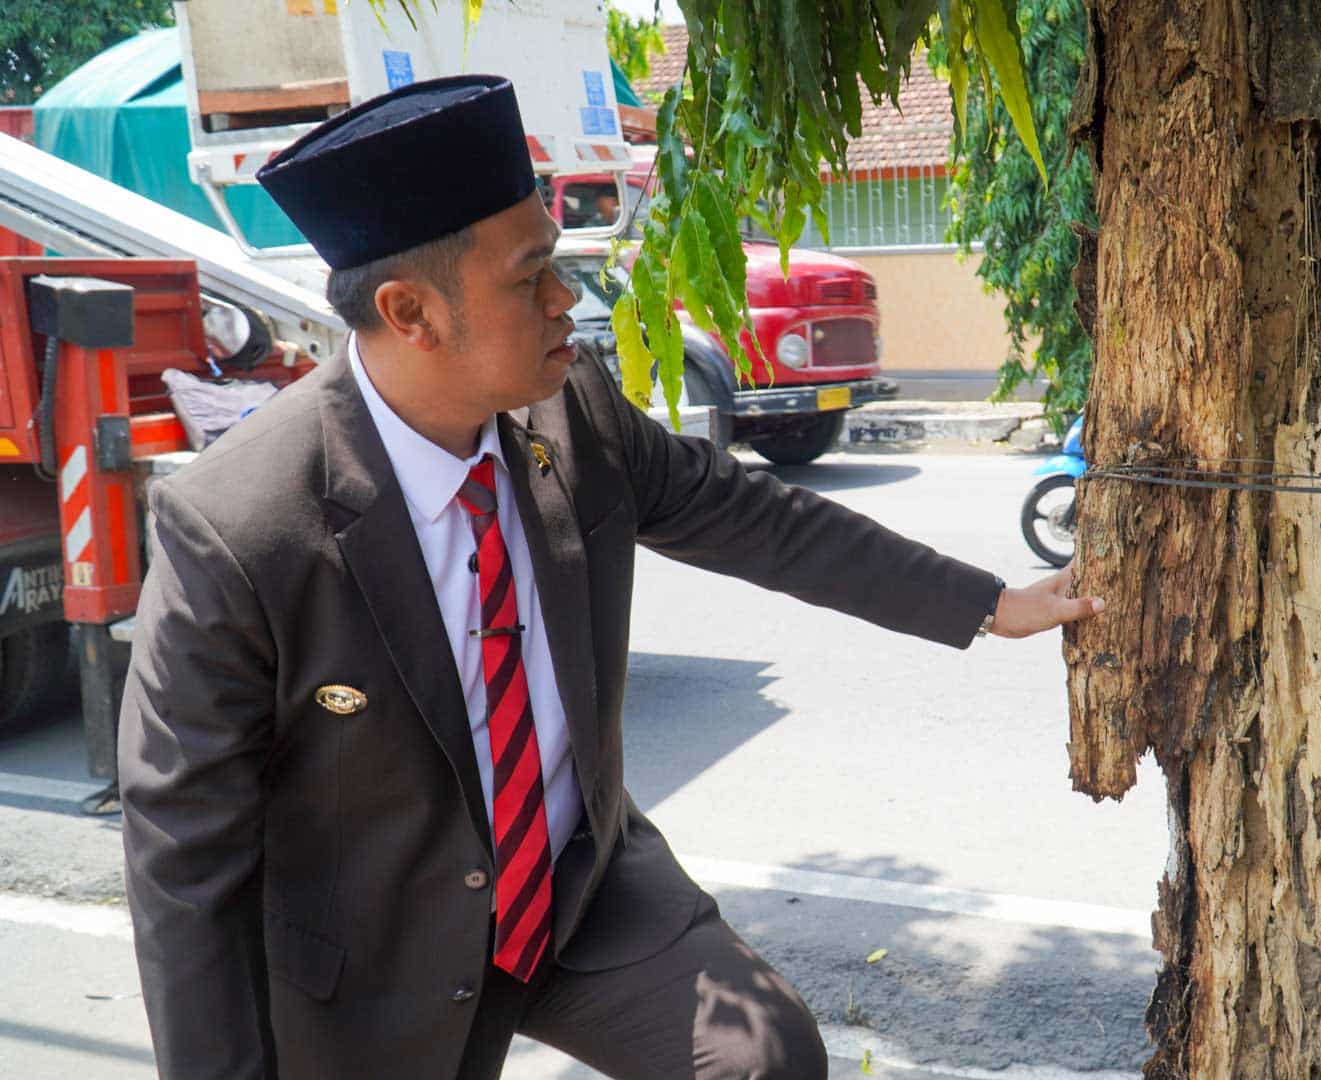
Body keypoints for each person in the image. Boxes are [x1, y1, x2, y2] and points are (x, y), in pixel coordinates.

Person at [118, 75, 1102, 1080]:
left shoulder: (570, 413)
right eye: (530, 275)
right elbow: (184, 861)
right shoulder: (240, 527)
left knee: (763, 1059)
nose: (568, 299)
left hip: (575, 889)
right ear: (410, 311)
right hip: (371, 954)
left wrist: (990, 603)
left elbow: (756, 518)